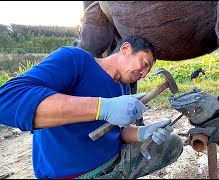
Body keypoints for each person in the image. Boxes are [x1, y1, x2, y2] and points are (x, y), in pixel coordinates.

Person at [0, 35, 183, 179]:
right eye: (144, 64)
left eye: (148, 71)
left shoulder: (124, 87)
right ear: (125, 48)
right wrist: (102, 108)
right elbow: (6, 101)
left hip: (116, 166)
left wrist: (144, 133)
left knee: (172, 142)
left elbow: (119, 131)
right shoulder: (77, 60)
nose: (143, 74)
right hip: (76, 175)